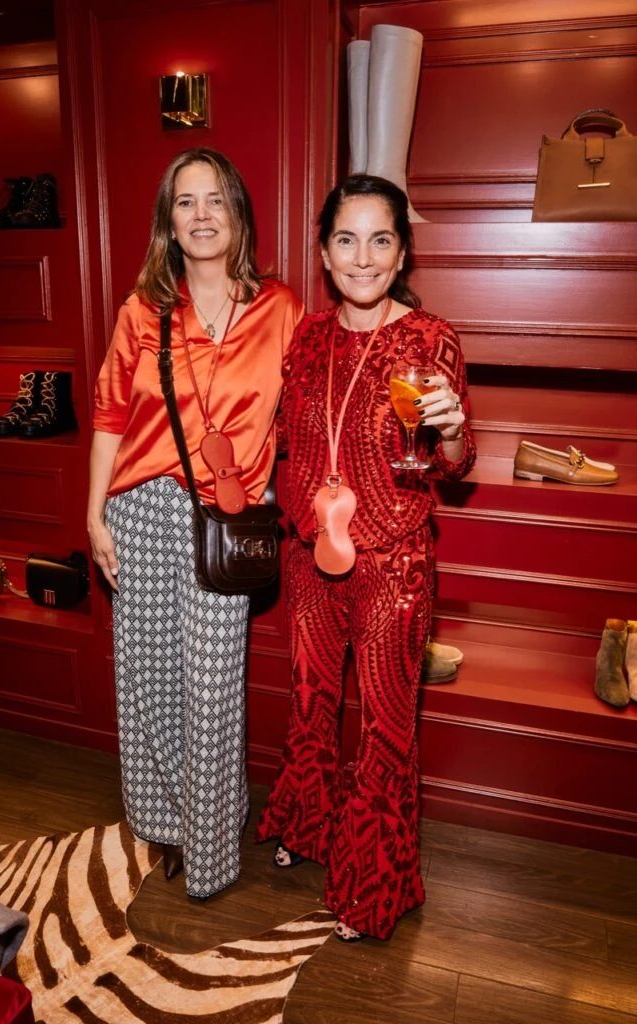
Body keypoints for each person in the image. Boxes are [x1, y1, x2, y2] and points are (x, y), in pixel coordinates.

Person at [255, 174, 476, 941]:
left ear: (402, 252)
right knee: (310, 703)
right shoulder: (309, 336)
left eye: (380, 240)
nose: (362, 257)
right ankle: (310, 826)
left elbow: (456, 464)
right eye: (346, 240)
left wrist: (452, 429)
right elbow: (288, 439)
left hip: (392, 564)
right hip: (309, 555)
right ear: (324, 252)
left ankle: (374, 883)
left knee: (385, 728)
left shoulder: (430, 338)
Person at [88, 148, 303, 899]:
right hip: (141, 509)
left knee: (212, 689)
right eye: (186, 202)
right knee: (147, 678)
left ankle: (211, 848)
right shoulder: (142, 311)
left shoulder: (280, 310)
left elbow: (306, 409)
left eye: (216, 200)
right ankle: (164, 822)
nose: (202, 214)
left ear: (238, 214)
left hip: (223, 517)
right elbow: (110, 416)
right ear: (169, 223)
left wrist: (265, 482)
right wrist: (94, 516)